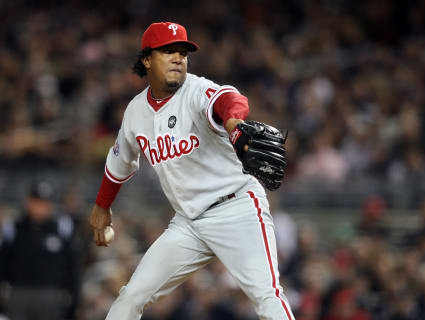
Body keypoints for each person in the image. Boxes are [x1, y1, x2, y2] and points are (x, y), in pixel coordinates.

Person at [89, 21, 294, 320]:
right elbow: (118, 162)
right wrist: (102, 206)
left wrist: (234, 123)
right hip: (188, 223)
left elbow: (229, 99)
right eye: (168, 51)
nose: (177, 58)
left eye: (182, 52)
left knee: (267, 297)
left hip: (236, 209)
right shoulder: (135, 111)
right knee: (131, 296)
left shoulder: (197, 90)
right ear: (146, 59)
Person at [0, 181, 81, 320]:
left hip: (51, 295)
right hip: (19, 293)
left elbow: (72, 267)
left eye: (43, 203)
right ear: (28, 202)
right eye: (36, 202)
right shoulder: (14, 228)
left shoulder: (61, 229)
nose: (39, 207)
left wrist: (74, 301)